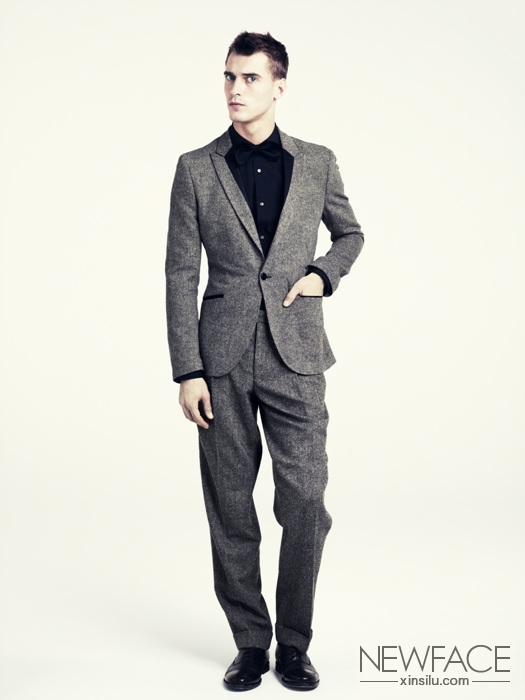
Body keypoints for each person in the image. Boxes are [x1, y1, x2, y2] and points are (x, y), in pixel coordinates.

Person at [165, 31, 364, 691]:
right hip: (219, 358)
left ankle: (294, 644)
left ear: (279, 85)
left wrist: (322, 274)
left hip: (296, 353)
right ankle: (250, 643)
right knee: (230, 506)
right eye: (229, 76)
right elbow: (179, 273)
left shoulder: (316, 162)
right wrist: (187, 369)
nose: (235, 89)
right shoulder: (196, 167)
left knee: (305, 500)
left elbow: (351, 233)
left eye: (250, 78)